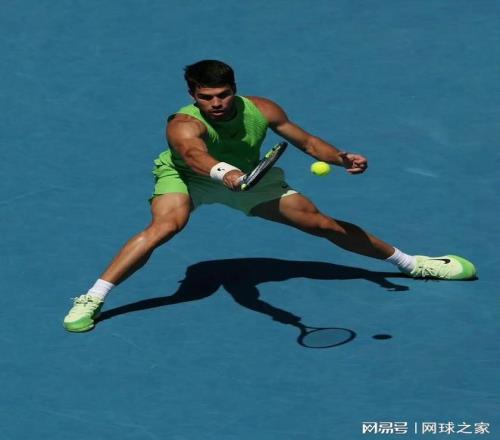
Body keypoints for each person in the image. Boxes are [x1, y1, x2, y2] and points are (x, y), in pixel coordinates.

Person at [63, 60, 477, 332]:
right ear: (193, 96)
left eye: (223, 94)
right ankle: (93, 298)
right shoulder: (182, 125)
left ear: (234, 89)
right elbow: (192, 155)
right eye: (206, 97)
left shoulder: (262, 108)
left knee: (322, 224)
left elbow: (308, 142)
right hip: (188, 177)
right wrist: (225, 173)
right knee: (166, 226)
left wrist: (340, 157)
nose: (216, 103)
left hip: (250, 179)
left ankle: (412, 264)